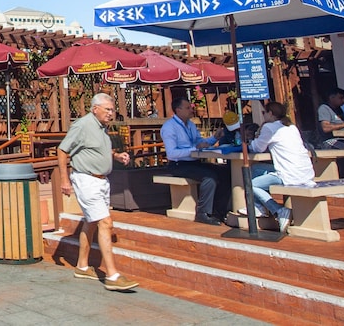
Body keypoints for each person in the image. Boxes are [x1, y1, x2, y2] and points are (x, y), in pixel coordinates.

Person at [57, 93, 139, 292]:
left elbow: (97, 149)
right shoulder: (82, 125)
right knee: (105, 222)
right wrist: (64, 180)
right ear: (95, 109)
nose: (111, 113)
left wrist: (116, 156)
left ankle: (82, 266)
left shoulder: (102, 127)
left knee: (92, 222)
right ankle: (112, 276)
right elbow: (62, 150)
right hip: (86, 179)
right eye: (107, 109)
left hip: (102, 181)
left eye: (112, 110)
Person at [245, 102, 315, 233]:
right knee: (255, 169)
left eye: (264, 113)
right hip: (305, 171)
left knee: (251, 184)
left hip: (289, 173)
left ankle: (278, 210)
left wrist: (255, 137)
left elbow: (257, 148)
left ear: (270, 113)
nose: (263, 115)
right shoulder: (291, 127)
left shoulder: (269, 128)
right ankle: (259, 206)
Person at [159, 97, 230, 225]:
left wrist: (214, 138)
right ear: (178, 110)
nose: (191, 110)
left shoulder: (191, 125)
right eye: (187, 108)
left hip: (195, 163)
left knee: (225, 172)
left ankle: (219, 212)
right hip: (178, 164)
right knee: (209, 177)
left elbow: (200, 142)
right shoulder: (169, 127)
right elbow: (172, 153)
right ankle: (202, 213)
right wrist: (194, 149)